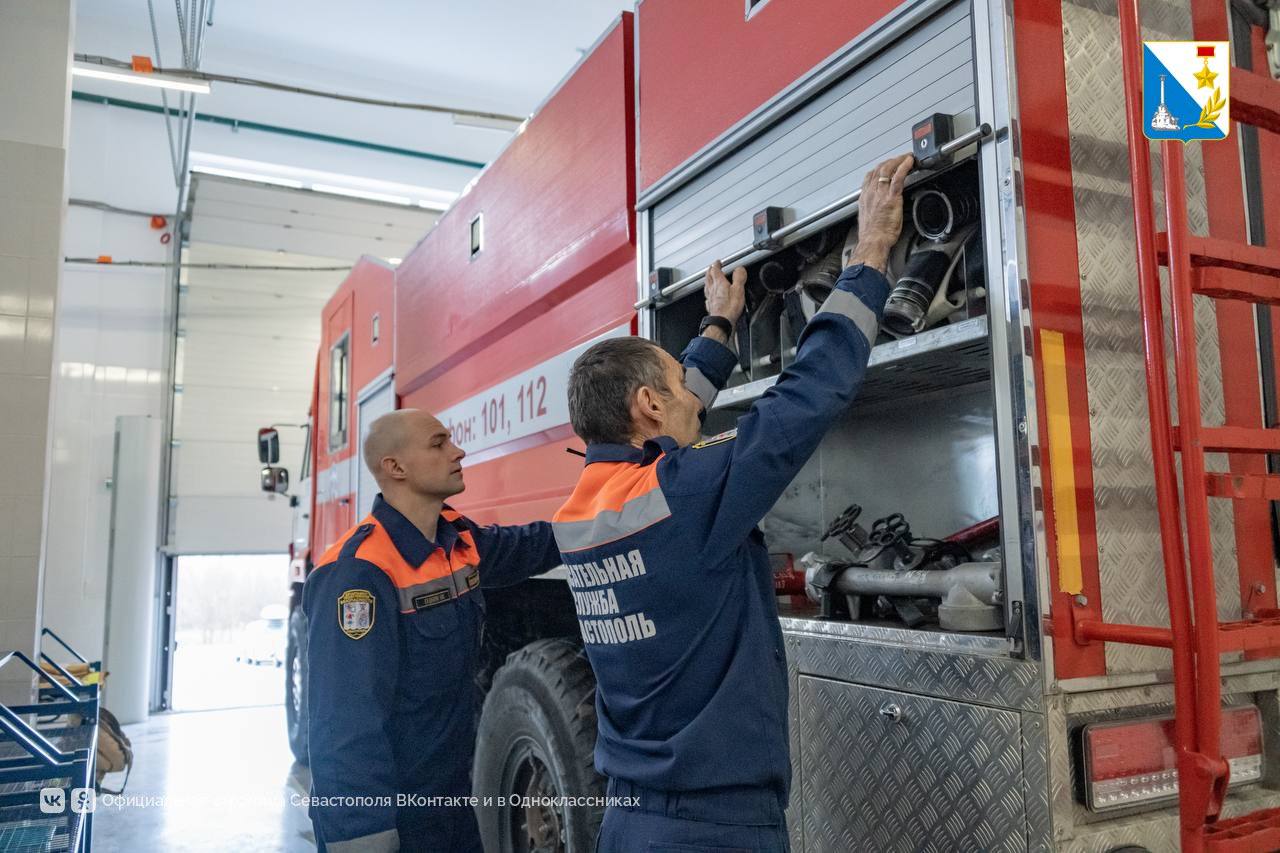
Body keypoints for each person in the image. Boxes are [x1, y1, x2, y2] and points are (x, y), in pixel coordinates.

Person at [552, 153, 915, 851]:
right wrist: (870, 255)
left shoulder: (584, 511)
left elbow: (677, 420)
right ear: (648, 404)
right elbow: (805, 397)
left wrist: (718, 327)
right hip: (712, 829)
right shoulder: (685, 491)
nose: (693, 396)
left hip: (633, 820)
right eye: (677, 384)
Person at [303, 408, 561, 853]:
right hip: (391, 821)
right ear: (395, 467)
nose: (457, 452)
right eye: (438, 443)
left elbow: (532, 545)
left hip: (450, 808)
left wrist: (614, 514)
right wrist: (363, 839)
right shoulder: (357, 574)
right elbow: (344, 726)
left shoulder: (457, 542)